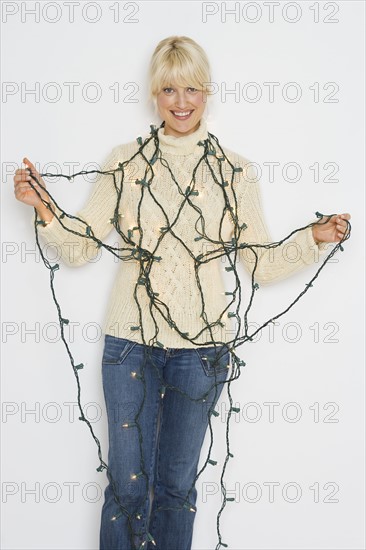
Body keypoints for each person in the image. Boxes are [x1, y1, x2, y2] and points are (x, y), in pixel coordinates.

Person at [13, 36, 350, 550]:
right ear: (154, 93)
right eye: (169, 88)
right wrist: (43, 207)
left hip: (203, 352)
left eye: (191, 87)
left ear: (207, 91)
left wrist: (314, 238)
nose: (181, 101)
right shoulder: (126, 161)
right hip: (130, 343)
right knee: (128, 487)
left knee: (176, 486)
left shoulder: (234, 170)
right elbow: (81, 248)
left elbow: (258, 263)